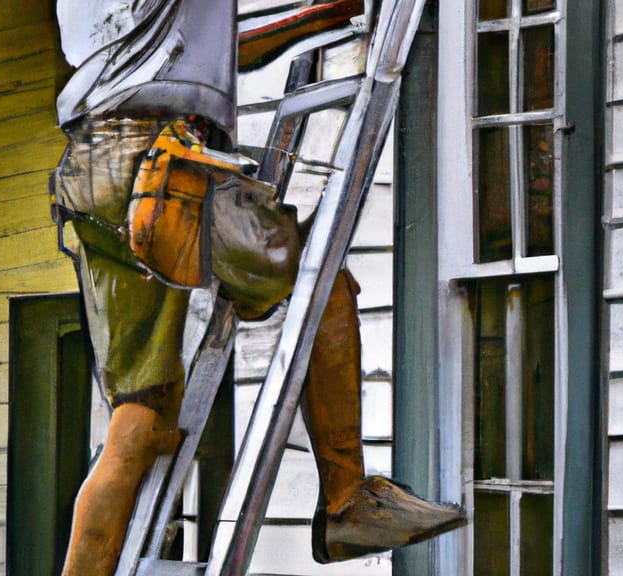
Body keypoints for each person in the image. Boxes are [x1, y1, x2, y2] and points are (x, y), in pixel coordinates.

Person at [50, 2, 464, 574]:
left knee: (141, 418)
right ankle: (347, 501)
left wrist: (312, 21)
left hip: (89, 163)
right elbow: (228, 44)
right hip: (163, 165)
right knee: (324, 284)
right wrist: (325, 15)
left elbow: (199, 49)